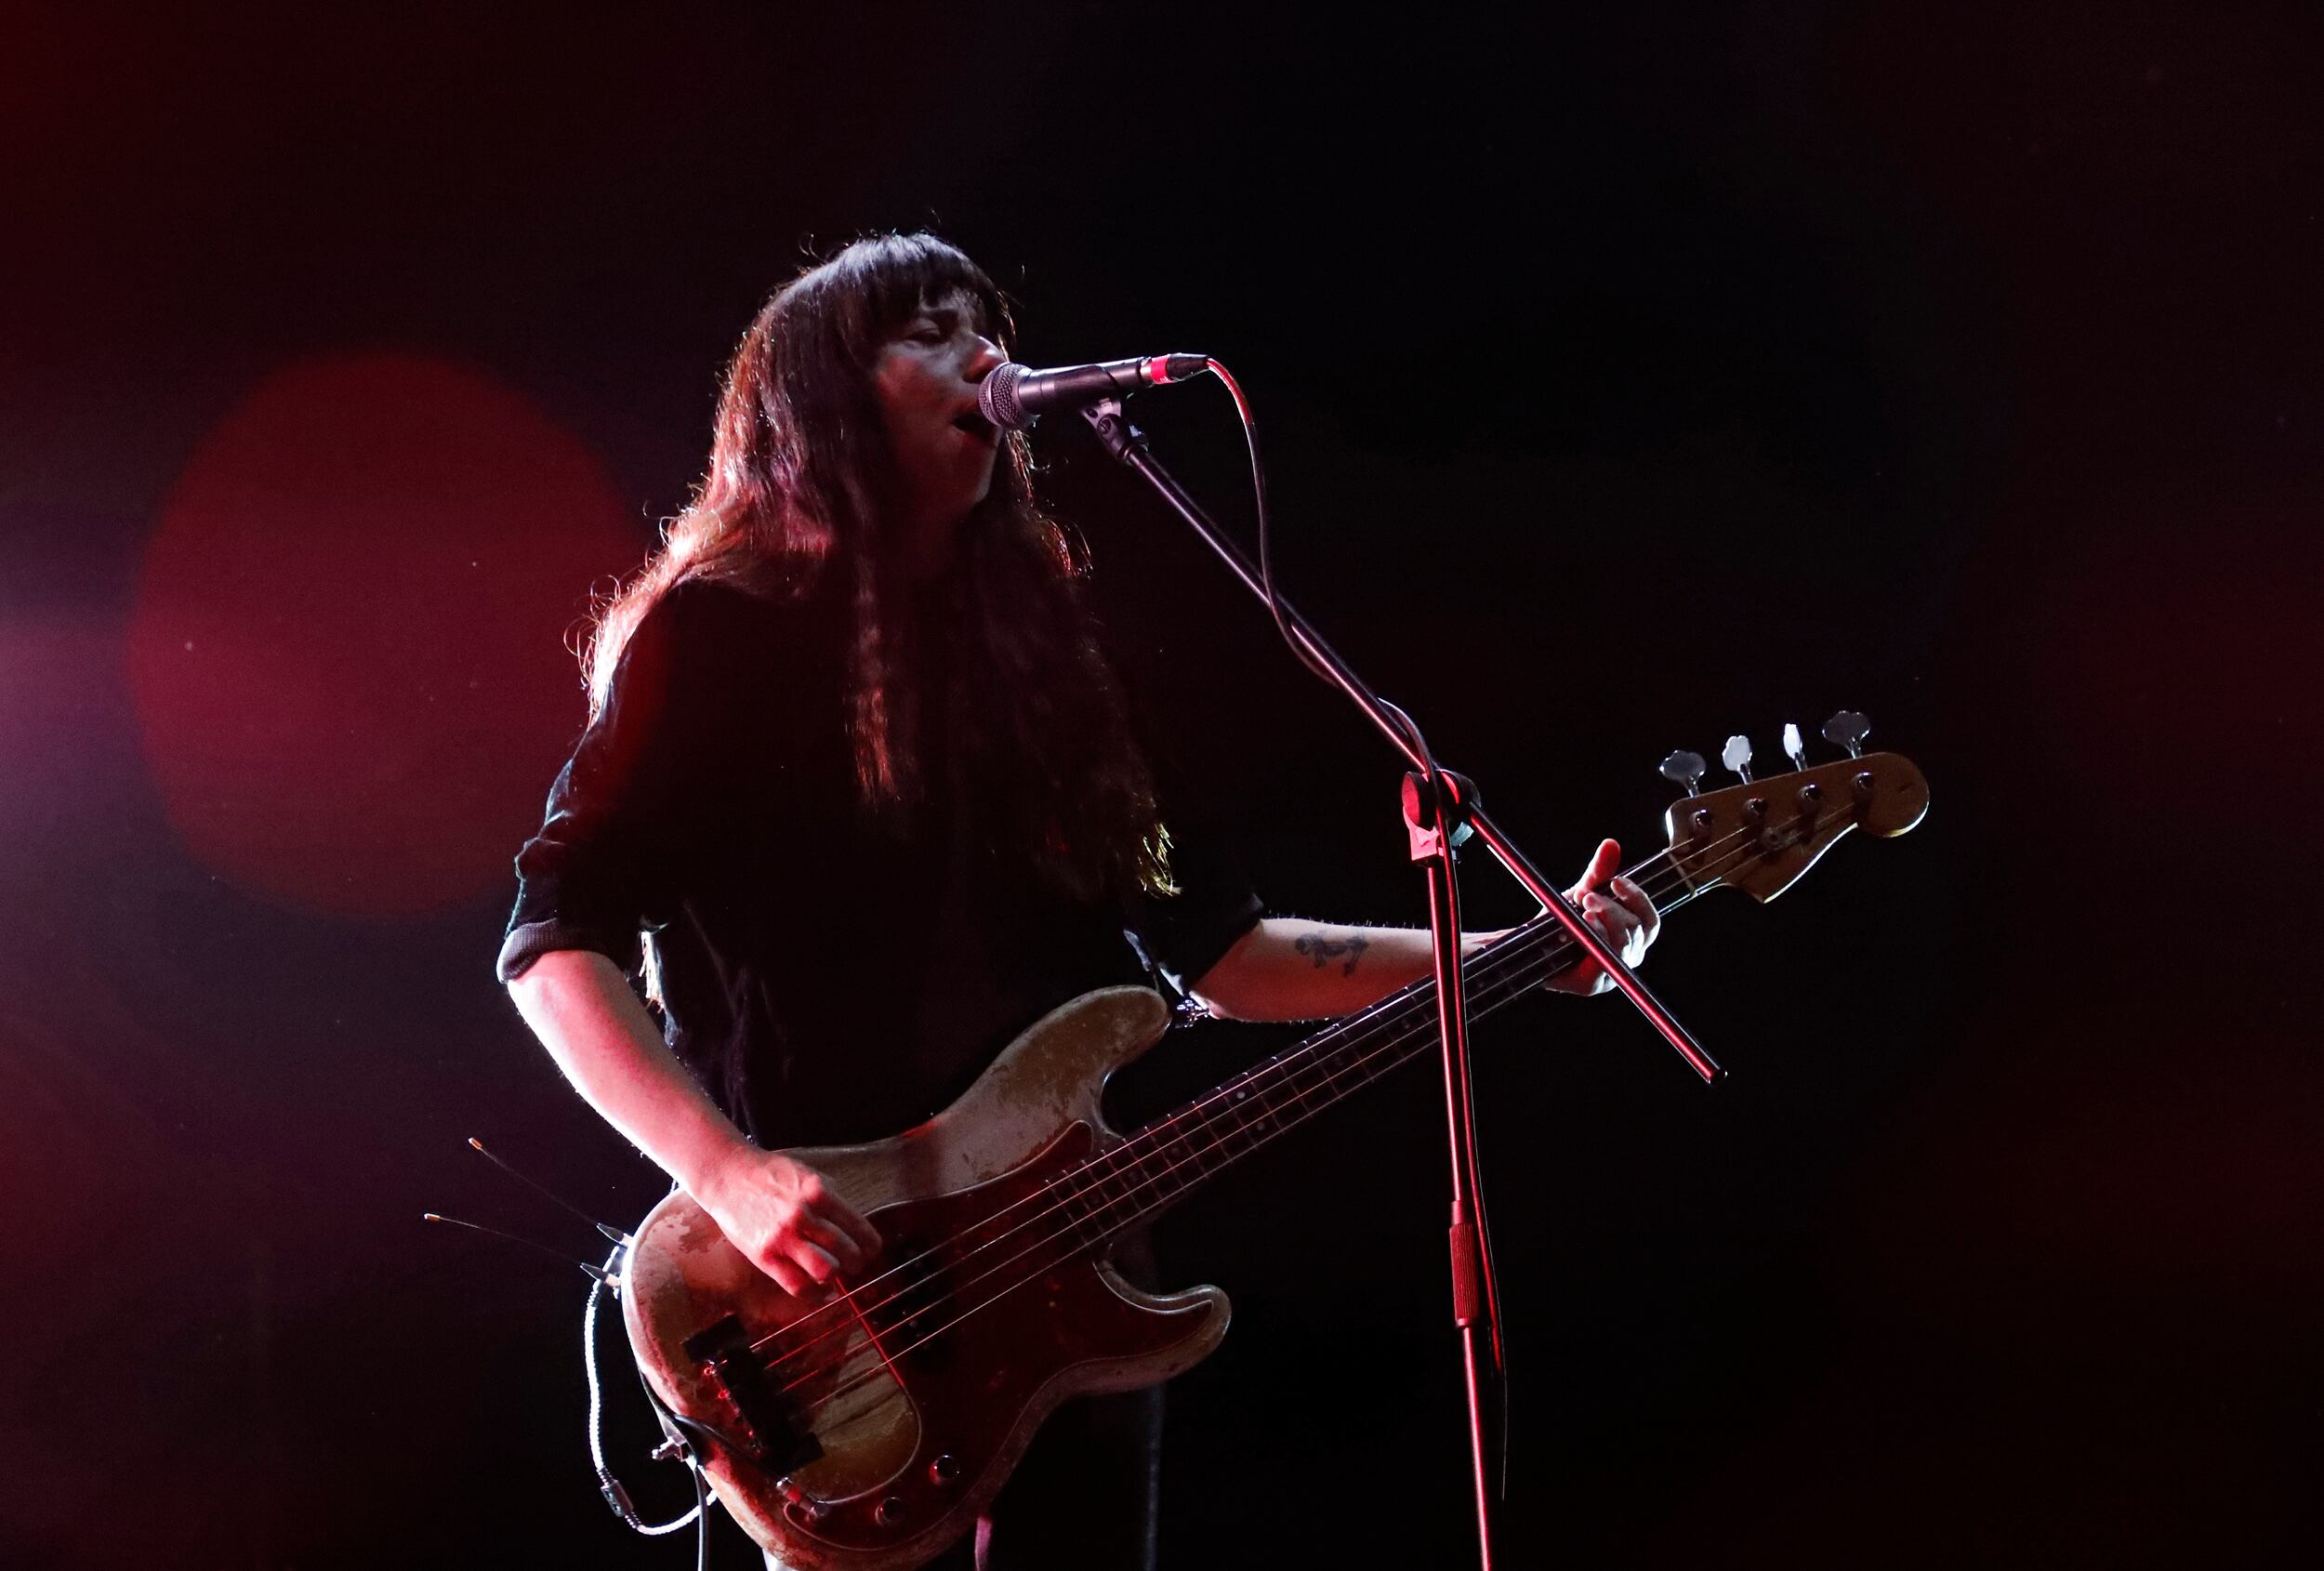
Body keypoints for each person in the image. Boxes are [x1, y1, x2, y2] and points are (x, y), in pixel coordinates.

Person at [498, 232, 1659, 1570]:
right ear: (821, 396)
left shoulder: (1044, 654)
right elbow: (551, 940)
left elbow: (1223, 951)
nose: (987, 355)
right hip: (828, 1308)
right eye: (930, 331)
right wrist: (730, 1175)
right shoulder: (716, 636)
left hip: (1069, 1284)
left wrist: (1517, 950)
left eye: (986, 324)